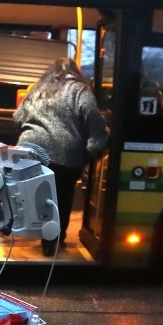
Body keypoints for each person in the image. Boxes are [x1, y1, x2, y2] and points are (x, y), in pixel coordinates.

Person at [13, 57, 108, 256]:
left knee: (36, 192)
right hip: (65, 154)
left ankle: (18, 224)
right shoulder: (79, 90)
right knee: (61, 196)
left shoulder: (37, 89)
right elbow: (91, 114)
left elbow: (17, 117)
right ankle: (52, 241)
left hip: (30, 149)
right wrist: (96, 142)